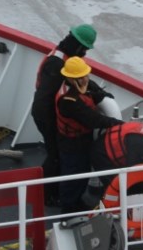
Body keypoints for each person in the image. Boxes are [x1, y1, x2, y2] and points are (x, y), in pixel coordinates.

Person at [31, 24, 97, 205]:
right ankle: (46, 194)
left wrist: (98, 91)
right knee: (55, 155)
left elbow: (74, 80)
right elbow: (44, 99)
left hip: (48, 113)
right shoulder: (57, 63)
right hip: (45, 115)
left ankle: (51, 191)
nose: (84, 54)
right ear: (77, 45)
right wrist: (51, 125)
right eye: (83, 49)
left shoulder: (62, 57)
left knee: (56, 154)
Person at [55, 56, 122, 213]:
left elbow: (94, 91)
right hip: (71, 142)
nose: (85, 78)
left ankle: (77, 202)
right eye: (81, 76)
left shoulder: (81, 84)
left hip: (82, 138)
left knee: (83, 171)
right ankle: (68, 208)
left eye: (85, 75)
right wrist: (120, 125)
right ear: (70, 78)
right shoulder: (68, 100)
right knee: (72, 175)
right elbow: (93, 119)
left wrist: (103, 96)